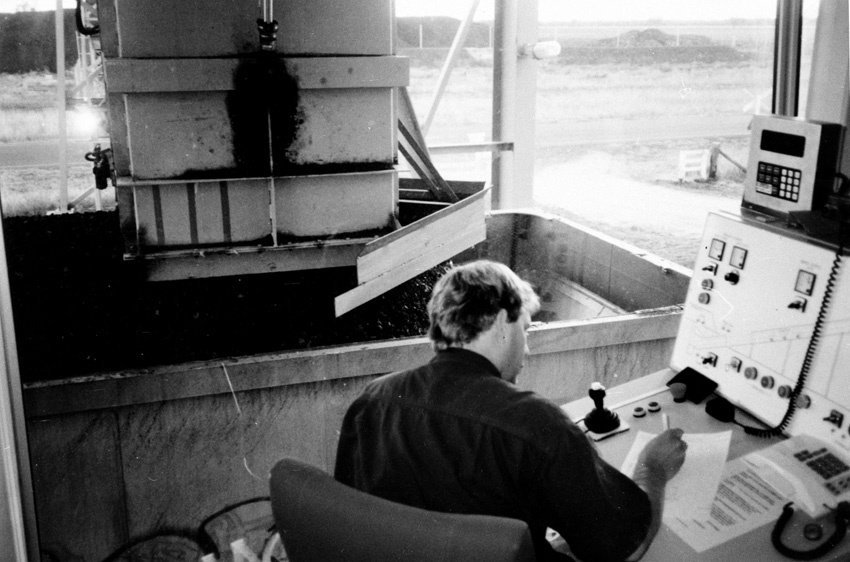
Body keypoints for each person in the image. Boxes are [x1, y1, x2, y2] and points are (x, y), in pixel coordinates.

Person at [334, 260, 687, 562]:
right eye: (526, 330)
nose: (528, 348)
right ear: (503, 322)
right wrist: (651, 469)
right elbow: (626, 547)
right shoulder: (535, 422)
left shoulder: (371, 401)